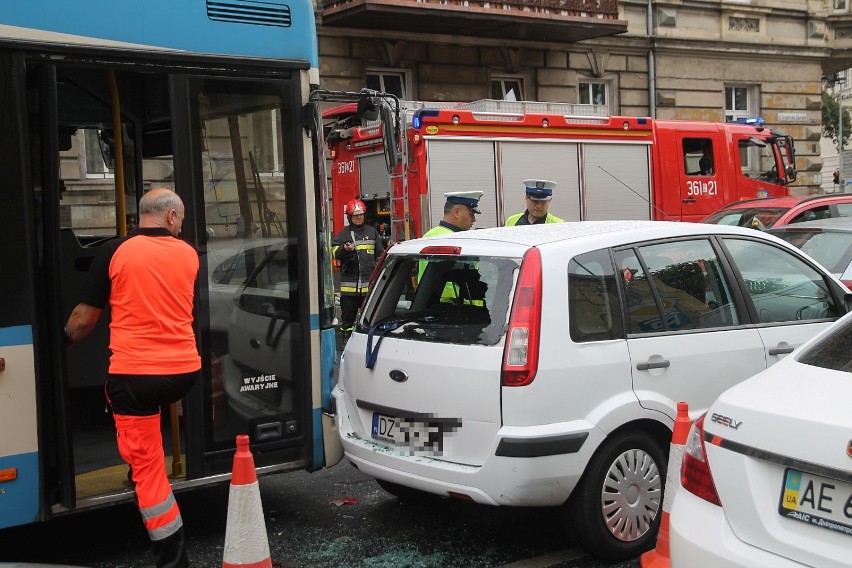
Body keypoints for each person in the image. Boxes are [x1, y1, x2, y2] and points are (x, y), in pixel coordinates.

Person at [64, 187, 199, 568]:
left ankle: (174, 561)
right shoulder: (188, 254)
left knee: (150, 473)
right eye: (181, 220)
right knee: (147, 428)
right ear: (171, 217)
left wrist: (57, 350)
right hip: (184, 371)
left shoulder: (113, 251)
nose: (180, 226)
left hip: (136, 377)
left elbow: (82, 321)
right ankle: (136, 458)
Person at [332, 198, 384, 335]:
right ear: (350, 217)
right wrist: (344, 249)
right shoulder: (344, 234)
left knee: (370, 319)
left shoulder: (372, 232)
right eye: (356, 215)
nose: (359, 217)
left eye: (361, 214)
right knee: (347, 322)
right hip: (349, 289)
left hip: (368, 286)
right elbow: (334, 252)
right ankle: (346, 342)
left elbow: (380, 256)